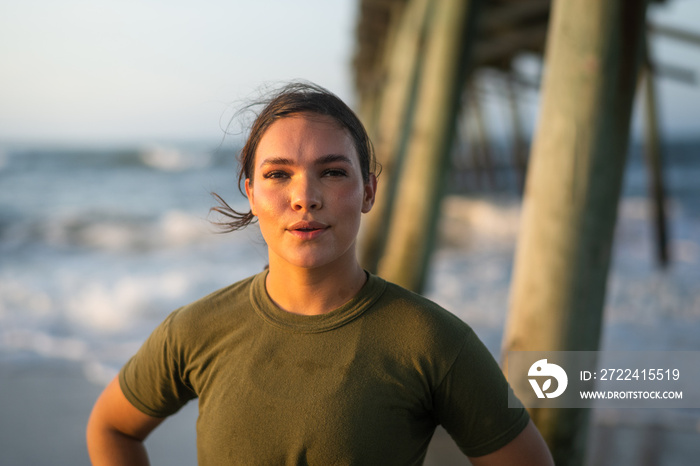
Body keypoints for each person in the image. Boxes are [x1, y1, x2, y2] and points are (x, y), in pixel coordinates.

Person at [86, 82, 553, 465]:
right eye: (278, 174)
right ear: (250, 191)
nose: (305, 196)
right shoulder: (195, 330)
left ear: (368, 191)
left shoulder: (432, 341)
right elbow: (111, 428)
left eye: (332, 172)